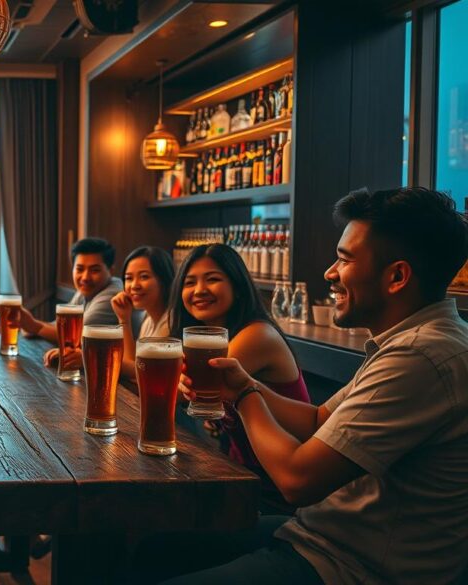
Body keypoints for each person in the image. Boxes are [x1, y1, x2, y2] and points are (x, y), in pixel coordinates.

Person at [153, 187, 468, 584]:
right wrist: (242, 384)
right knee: (154, 544)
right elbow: (319, 419)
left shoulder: (423, 356)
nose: (329, 273)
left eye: (344, 259)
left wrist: (247, 396)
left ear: (397, 277)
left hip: (350, 566)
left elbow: (296, 481)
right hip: (321, 538)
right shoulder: (411, 341)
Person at [169, 243, 310, 511]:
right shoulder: (210, 337)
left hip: (271, 494)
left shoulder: (257, 335)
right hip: (240, 478)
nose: (199, 290)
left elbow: (181, 393)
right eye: (190, 282)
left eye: (213, 279)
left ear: (237, 286)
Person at [18, 237, 122, 366]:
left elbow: (76, 337)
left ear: (111, 271)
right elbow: (60, 326)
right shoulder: (87, 290)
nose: (85, 277)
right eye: (79, 269)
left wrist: (34, 326)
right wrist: (33, 325)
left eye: (95, 270)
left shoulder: (113, 294)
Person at [110, 246, 175, 380]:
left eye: (144, 277)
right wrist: (124, 319)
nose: (134, 285)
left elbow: (149, 374)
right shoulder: (148, 318)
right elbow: (133, 364)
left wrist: (98, 359)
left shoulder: (171, 320)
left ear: (164, 280)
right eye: (129, 278)